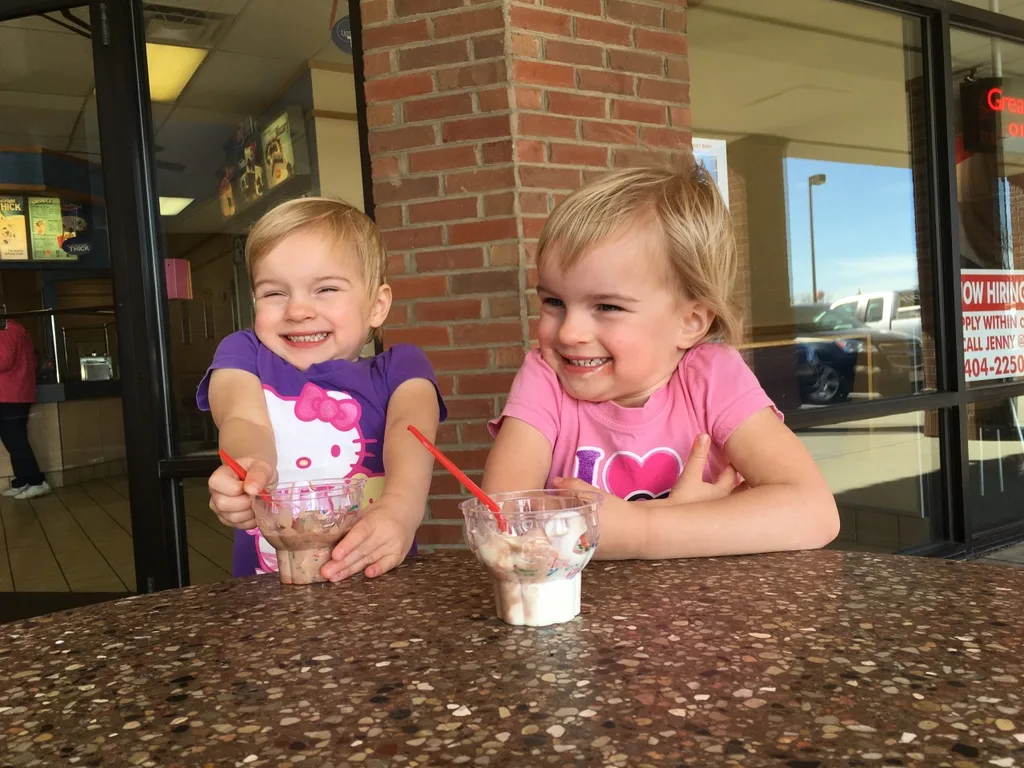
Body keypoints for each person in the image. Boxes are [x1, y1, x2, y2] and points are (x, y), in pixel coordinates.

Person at [483, 158, 840, 559]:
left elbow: (814, 511)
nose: (568, 333)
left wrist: (643, 528)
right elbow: (502, 520)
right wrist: (690, 520)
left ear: (689, 322)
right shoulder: (545, 378)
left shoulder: (711, 377)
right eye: (553, 302)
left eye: (607, 306)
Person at [198, 197, 445, 581]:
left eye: (326, 289)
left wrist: (400, 509)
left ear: (377, 305)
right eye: (275, 293)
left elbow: (410, 433)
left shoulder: (402, 369)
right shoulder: (242, 353)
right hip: (269, 599)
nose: (297, 310)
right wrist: (249, 466)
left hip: (379, 590)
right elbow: (242, 416)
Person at [0, 318, 50, 500]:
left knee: (16, 440)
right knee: (14, 439)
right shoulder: (17, 328)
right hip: (17, 392)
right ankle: (23, 480)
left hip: (9, 394)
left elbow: (4, 360)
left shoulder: (5, 329)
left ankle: (37, 481)